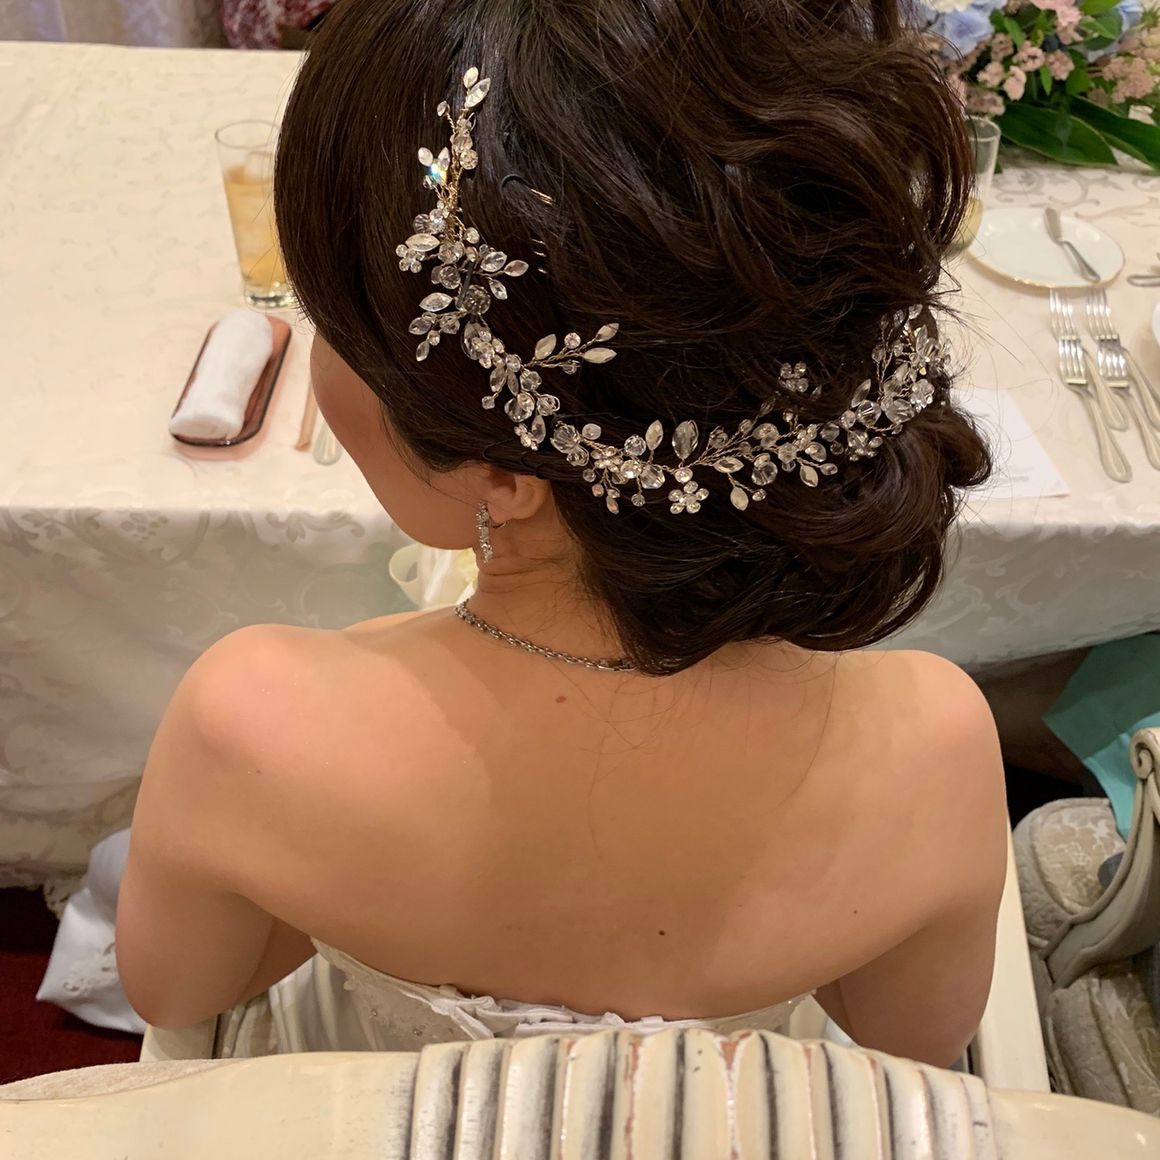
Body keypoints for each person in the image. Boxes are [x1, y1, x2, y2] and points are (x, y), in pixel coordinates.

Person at [117, 0, 1006, 1068]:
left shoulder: (251, 725)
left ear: (504, 470)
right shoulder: (932, 746)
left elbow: (180, 989)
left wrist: (342, 881)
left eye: (331, 320)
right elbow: (910, 1039)